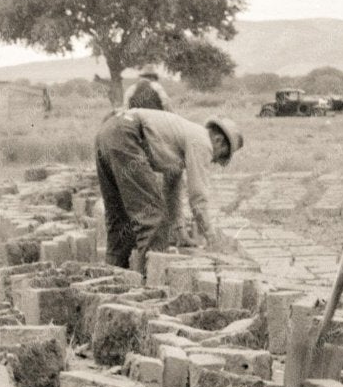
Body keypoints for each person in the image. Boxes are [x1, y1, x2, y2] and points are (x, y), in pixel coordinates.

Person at [94, 104, 242, 269]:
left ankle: (115, 277)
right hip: (127, 135)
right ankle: (149, 286)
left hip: (108, 131)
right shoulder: (202, 142)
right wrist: (213, 239)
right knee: (154, 218)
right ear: (219, 141)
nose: (214, 161)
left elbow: (171, 189)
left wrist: (180, 230)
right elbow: (198, 197)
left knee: (120, 221)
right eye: (221, 155)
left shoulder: (182, 136)